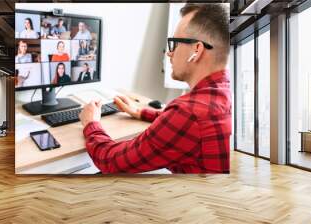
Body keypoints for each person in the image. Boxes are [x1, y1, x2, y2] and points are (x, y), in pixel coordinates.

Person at [79, 4, 231, 174]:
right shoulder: (223, 91)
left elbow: (111, 162)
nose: (169, 53)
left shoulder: (188, 113)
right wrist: (140, 112)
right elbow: (184, 125)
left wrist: (91, 123)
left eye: (174, 44)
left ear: (196, 50)